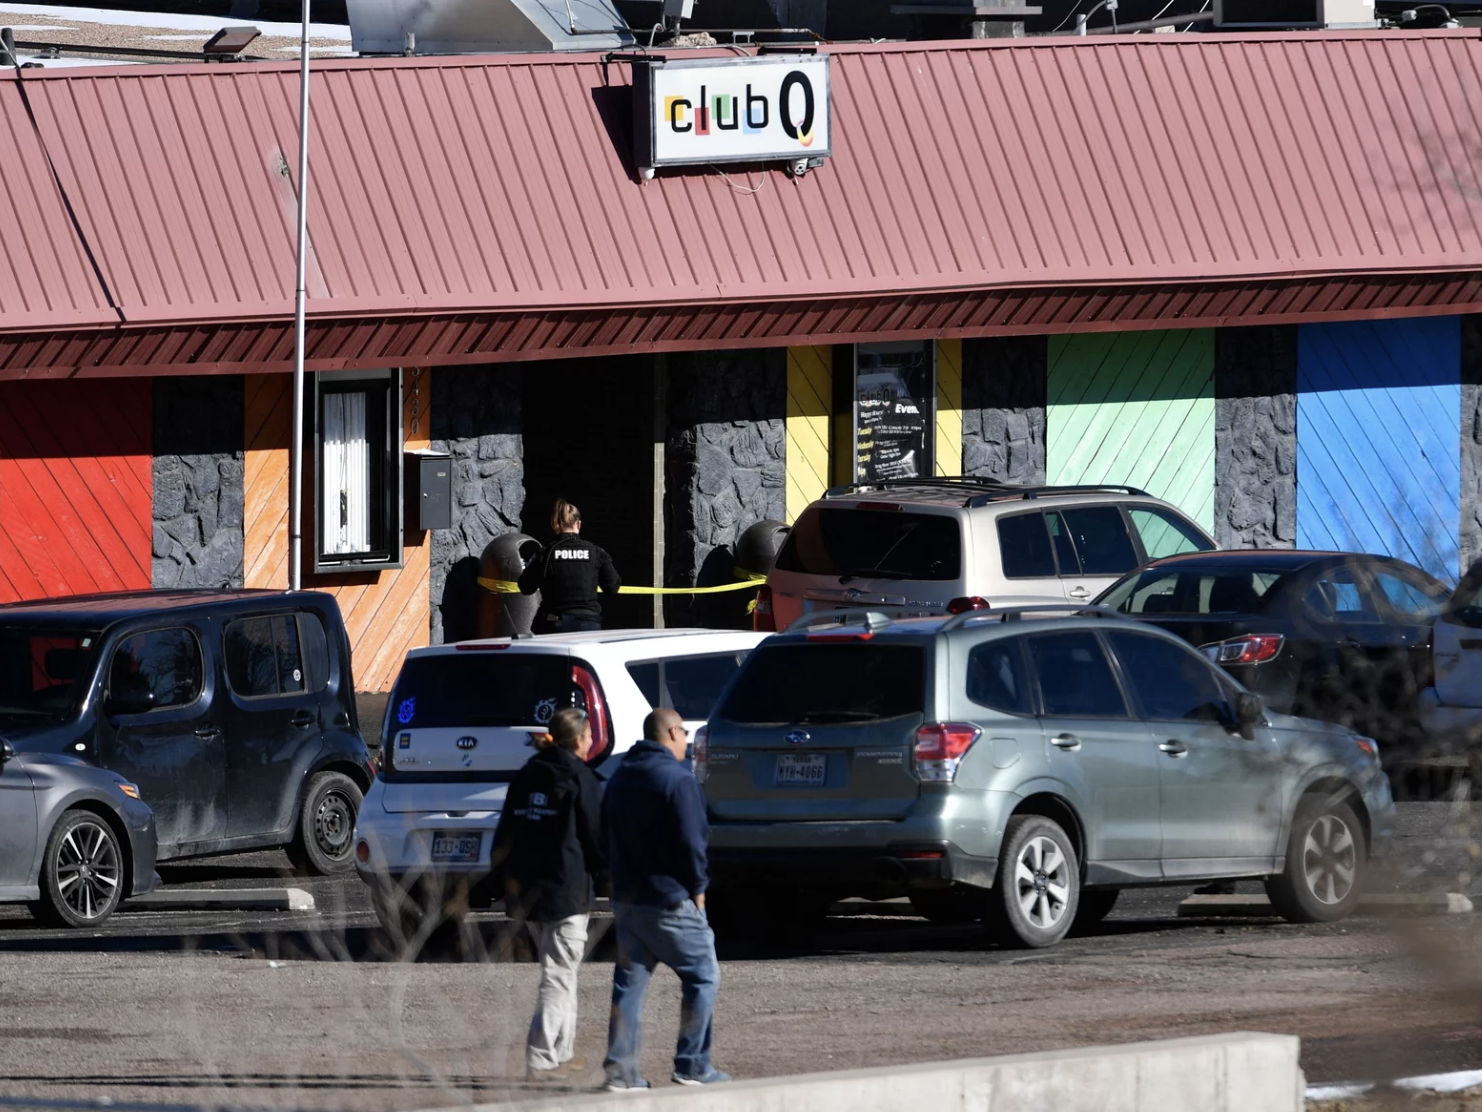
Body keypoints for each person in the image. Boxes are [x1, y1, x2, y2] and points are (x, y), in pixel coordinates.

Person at [600, 708, 728, 1091]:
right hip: (669, 898)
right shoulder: (677, 779)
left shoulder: (620, 777)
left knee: (629, 985)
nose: (686, 740)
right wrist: (699, 887)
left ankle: (621, 1073)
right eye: (684, 733)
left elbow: (603, 833)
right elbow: (693, 841)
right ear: (672, 732)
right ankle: (693, 1065)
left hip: (628, 899)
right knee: (703, 975)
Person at [489, 707, 605, 1080]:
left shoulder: (527, 775)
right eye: (589, 735)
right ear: (579, 740)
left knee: (562, 973)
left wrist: (501, 885)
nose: (592, 740)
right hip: (566, 893)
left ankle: (561, 1053)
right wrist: (609, 877)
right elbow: (597, 839)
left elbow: (504, 837)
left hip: (529, 893)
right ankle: (541, 1057)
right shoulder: (580, 778)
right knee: (558, 975)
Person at [518, 499, 621, 634]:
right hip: (588, 624)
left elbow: (526, 587)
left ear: (554, 524)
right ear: (578, 524)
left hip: (553, 624)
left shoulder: (545, 553)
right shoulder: (596, 552)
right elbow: (612, 587)